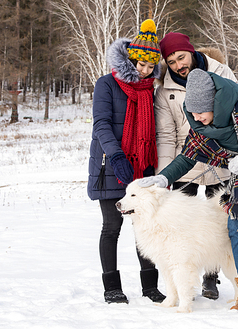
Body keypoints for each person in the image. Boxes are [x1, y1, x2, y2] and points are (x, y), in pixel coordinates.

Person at [139, 68, 238, 313]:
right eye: (193, 112)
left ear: (214, 103)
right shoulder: (200, 126)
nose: (197, 117)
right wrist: (163, 178)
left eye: (201, 111)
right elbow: (187, 157)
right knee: (235, 229)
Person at [87, 19, 165, 304]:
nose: (145, 70)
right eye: (140, 64)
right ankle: (112, 287)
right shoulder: (106, 84)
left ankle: (150, 287)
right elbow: (102, 124)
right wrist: (116, 154)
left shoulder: (150, 90)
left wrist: (151, 167)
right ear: (130, 58)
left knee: (144, 226)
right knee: (112, 227)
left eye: (150, 66)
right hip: (110, 165)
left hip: (142, 166)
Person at [154, 32, 237, 299]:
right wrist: (165, 177)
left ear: (191, 52)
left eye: (182, 57)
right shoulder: (164, 89)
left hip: (218, 160)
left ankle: (211, 278)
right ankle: (183, 279)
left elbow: (235, 115)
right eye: (172, 60)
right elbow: (166, 135)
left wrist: (231, 156)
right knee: (183, 225)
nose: (179, 64)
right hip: (185, 161)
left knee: (216, 223)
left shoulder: (221, 73)